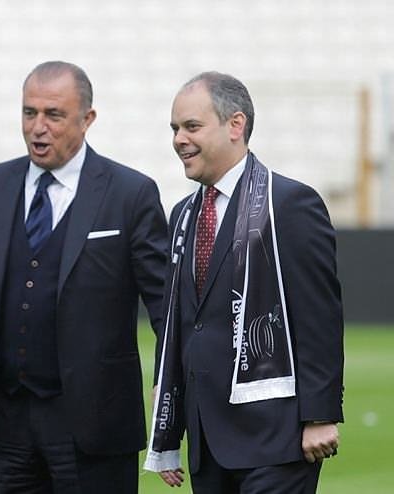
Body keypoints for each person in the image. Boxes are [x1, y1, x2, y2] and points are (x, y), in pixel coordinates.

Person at [0, 61, 168, 493]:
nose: (38, 127)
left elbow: (164, 305)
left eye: (53, 115)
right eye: (28, 113)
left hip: (96, 422)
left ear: (87, 119)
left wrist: (170, 388)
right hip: (5, 422)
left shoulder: (131, 193)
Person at [145, 71, 344, 493]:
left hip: (275, 438)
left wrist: (321, 414)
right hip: (208, 439)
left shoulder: (288, 203)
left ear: (235, 125)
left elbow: (318, 315)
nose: (179, 139)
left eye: (192, 126)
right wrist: (169, 415)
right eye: (175, 129)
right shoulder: (182, 215)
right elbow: (181, 322)